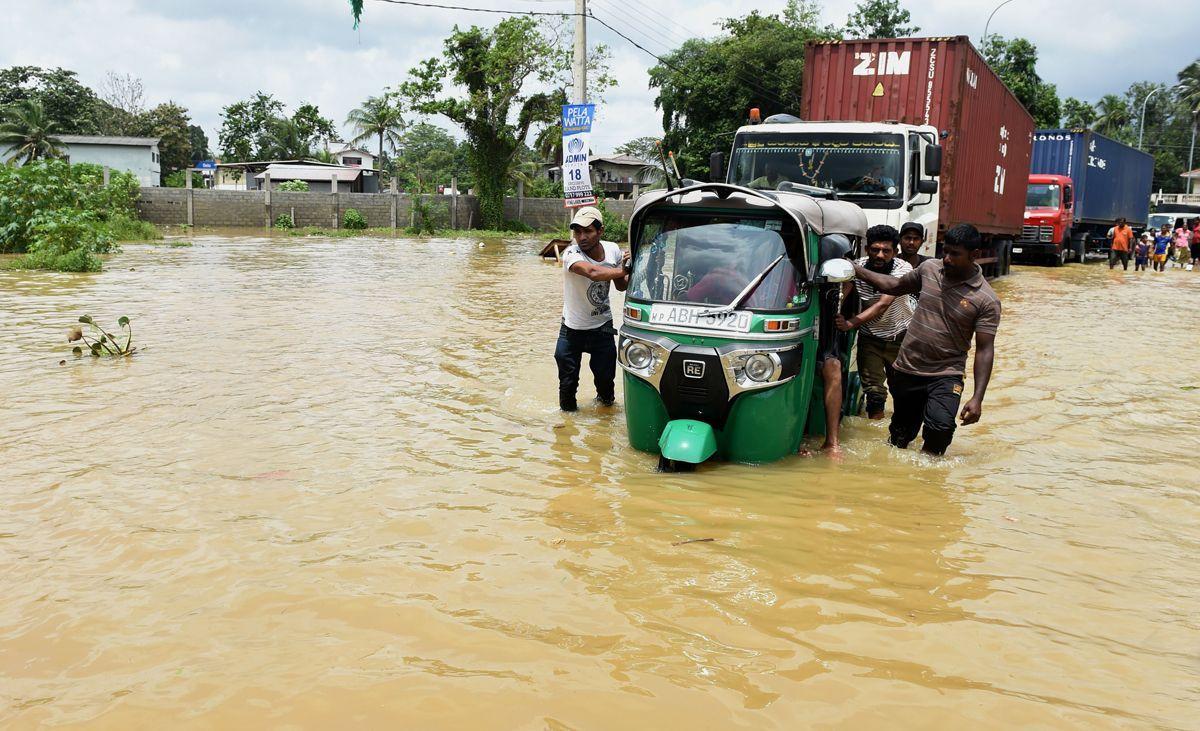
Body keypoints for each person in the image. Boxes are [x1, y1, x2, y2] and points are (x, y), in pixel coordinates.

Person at [850, 223, 1000, 456]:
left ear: (974, 255)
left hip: (946, 372)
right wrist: (854, 268)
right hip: (908, 369)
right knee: (900, 437)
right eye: (945, 251)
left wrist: (978, 398)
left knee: (940, 428)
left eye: (955, 254)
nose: (947, 259)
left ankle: (929, 479)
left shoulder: (985, 299)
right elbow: (894, 285)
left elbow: (984, 350)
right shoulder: (929, 269)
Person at [836, 224, 913, 420]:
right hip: (870, 338)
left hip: (900, 337)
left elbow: (882, 304)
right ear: (867, 249)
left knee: (902, 391)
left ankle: (897, 435)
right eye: (875, 250)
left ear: (895, 252)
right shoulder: (857, 265)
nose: (880, 255)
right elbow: (843, 291)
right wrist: (835, 312)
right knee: (874, 394)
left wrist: (850, 323)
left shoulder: (903, 268)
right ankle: (874, 430)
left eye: (886, 251)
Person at [555, 206, 629, 412]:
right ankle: (566, 432)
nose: (582, 237)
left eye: (587, 231)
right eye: (577, 232)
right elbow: (593, 273)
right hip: (572, 330)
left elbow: (621, 285)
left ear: (600, 231)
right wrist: (623, 269)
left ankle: (604, 425)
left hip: (602, 328)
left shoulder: (613, 249)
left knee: (606, 388)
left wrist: (633, 268)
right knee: (567, 387)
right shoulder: (571, 253)